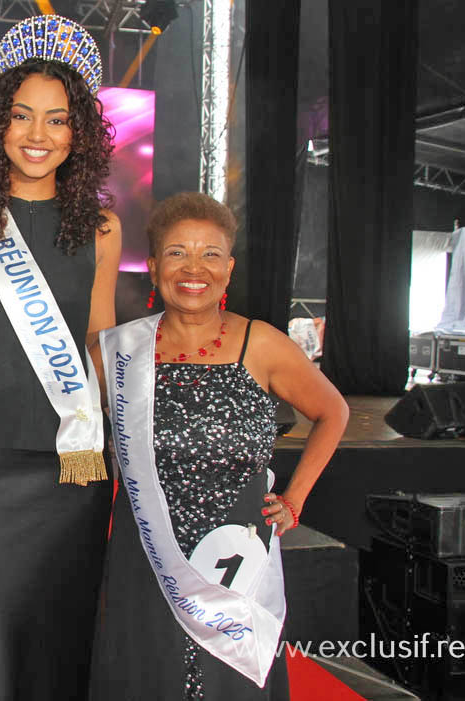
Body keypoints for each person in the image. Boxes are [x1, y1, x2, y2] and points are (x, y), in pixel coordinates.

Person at [90, 192, 350, 700]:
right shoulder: (120, 352)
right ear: (154, 265)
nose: (194, 268)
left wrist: (295, 499)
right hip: (146, 553)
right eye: (177, 252)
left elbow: (333, 412)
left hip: (238, 551)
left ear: (228, 268)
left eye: (210, 254)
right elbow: (57, 410)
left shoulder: (264, 344)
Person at [0, 14, 122, 701]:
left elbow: (101, 339)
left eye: (58, 120)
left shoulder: (102, 226)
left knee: (62, 640)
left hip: (73, 469)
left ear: (81, 134)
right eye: (21, 117)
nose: (38, 136)